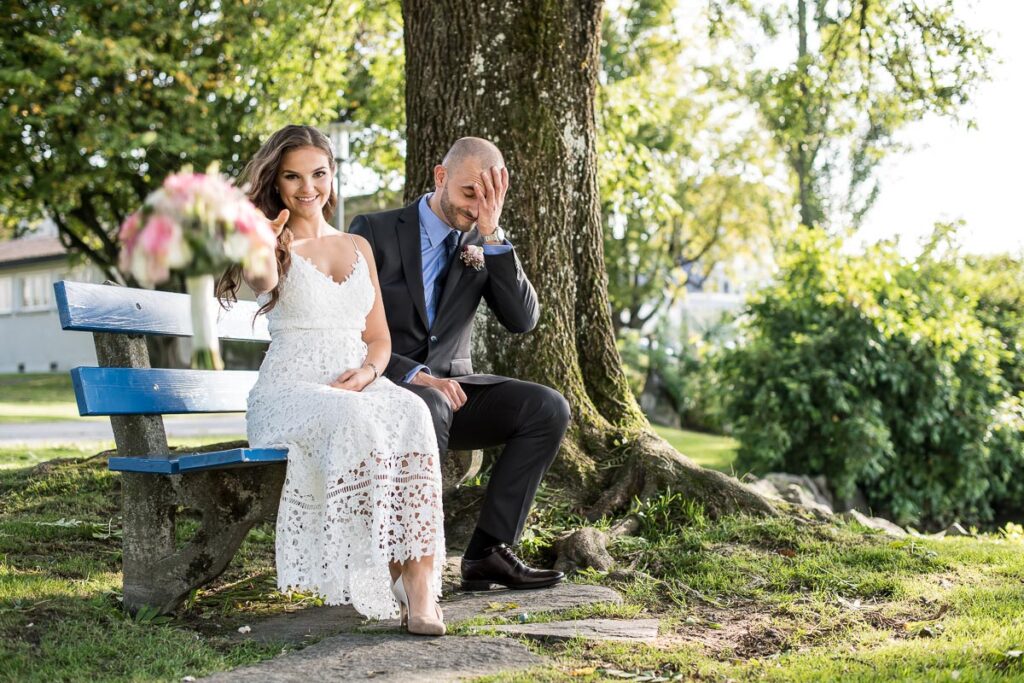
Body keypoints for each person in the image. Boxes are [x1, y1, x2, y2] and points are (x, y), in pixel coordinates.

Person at [217, 125, 446, 635]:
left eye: (317, 174)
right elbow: (263, 281)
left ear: (331, 175)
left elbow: (379, 339)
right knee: (352, 419)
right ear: (276, 183)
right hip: (290, 391)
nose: (306, 188)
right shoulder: (273, 245)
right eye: (293, 177)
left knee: (413, 411)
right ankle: (384, 570)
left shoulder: (358, 246)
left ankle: (420, 584)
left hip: (356, 383)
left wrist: (367, 373)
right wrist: (261, 244)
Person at [350, 137, 571, 592]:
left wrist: (492, 236)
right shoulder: (373, 230)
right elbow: (349, 326)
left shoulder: (483, 242)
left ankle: (488, 552)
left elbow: (523, 319)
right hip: (387, 385)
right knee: (428, 404)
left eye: (488, 197)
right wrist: (413, 373)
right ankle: (412, 562)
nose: (476, 206)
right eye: (470, 193)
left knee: (549, 408)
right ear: (440, 176)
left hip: (454, 392)